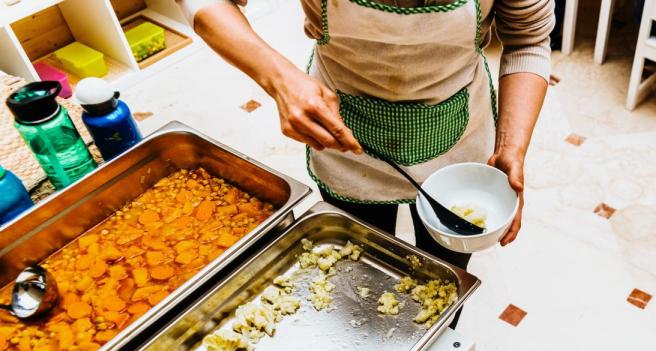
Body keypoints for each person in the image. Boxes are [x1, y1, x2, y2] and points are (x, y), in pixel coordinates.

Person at [177, 0, 554, 286]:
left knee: (445, 267)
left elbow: (528, 38)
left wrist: (512, 146)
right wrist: (279, 79)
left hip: (457, 129)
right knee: (366, 261)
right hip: (346, 128)